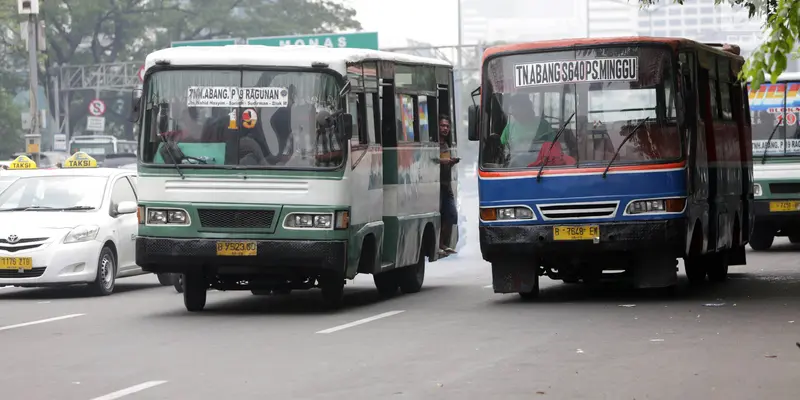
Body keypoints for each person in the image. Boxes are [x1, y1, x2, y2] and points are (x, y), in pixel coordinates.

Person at [437, 114, 459, 256]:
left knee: (451, 215)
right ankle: (439, 244)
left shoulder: (446, 144)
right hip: (438, 184)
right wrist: (445, 161)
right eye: (442, 125)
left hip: (446, 184)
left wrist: (450, 162)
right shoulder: (435, 144)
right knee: (442, 215)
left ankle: (444, 243)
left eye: (447, 126)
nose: (445, 128)